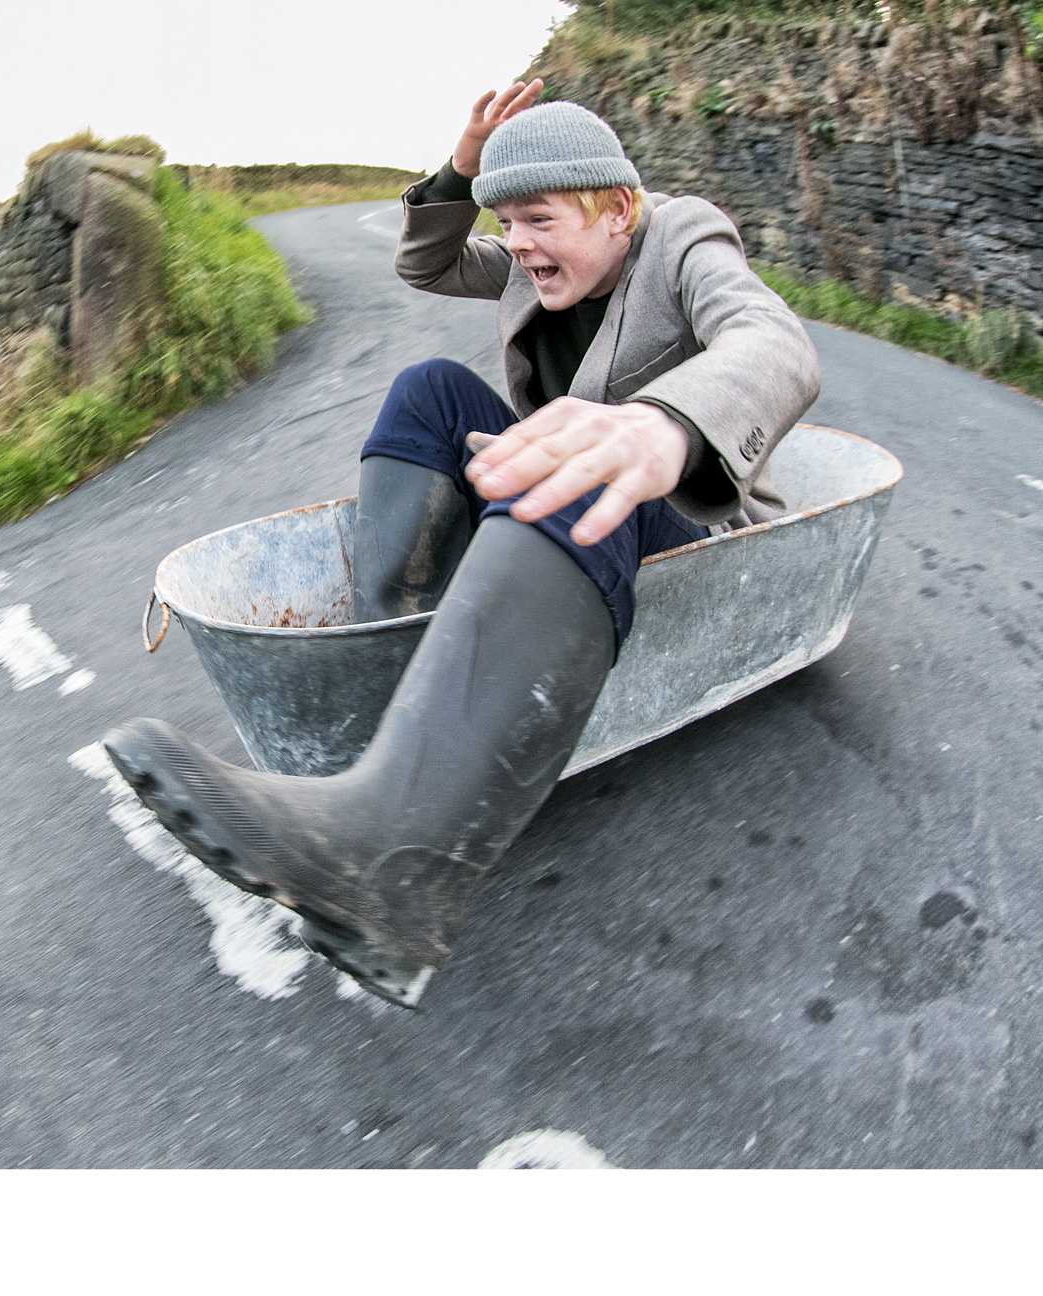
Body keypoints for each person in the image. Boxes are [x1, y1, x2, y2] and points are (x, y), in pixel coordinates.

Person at [101, 83, 821, 1009]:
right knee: (432, 388)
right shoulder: (536, 261)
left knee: (569, 443)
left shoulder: (683, 240)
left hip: (673, 505)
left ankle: (396, 865)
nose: (517, 243)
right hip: (577, 500)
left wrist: (662, 426)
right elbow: (428, 267)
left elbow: (776, 341)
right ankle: (393, 698)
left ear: (618, 210)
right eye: (505, 221)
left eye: (538, 219)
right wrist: (462, 169)